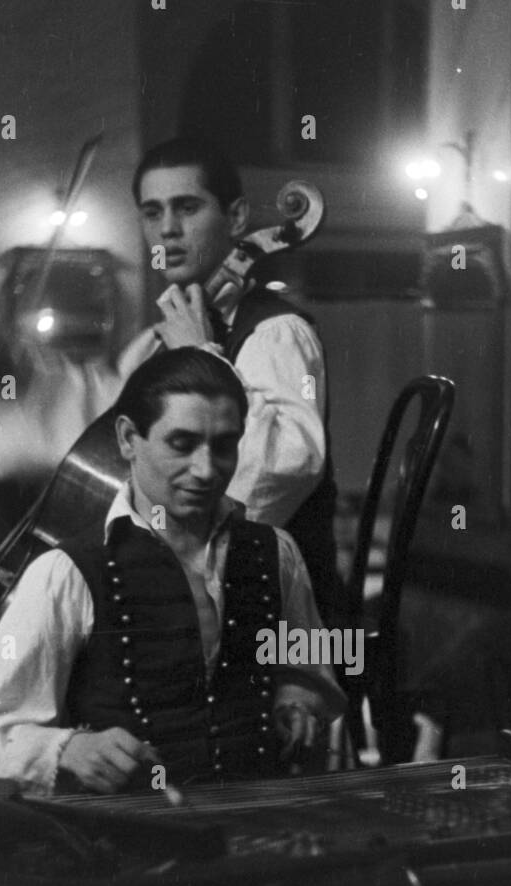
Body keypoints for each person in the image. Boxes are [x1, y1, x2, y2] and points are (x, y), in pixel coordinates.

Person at [0, 349, 346, 795]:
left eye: (224, 444)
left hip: (255, 827)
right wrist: (64, 749)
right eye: (182, 444)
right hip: (124, 843)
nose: (206, 469)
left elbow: (309, 672)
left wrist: (299, 696)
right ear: (128, 438)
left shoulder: (278, 553)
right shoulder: (64, 573)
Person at [118, 136, 342, 621]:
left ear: (237, 218)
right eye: (152, 213)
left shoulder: (277, 333)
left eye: (187, 208)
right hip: (178, 605)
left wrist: (201, 357)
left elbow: (276, 475)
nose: (168, 231)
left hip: (268, 622)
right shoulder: (149, 347)